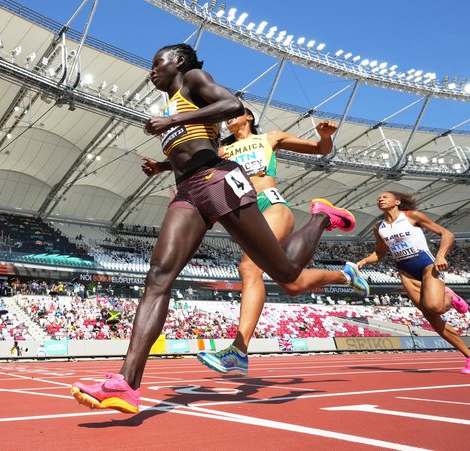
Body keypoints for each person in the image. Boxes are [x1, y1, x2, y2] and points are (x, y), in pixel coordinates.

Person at [71, 43, 355, 414]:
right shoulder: (175, 104)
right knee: (158, 277)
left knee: (285, 272)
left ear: (179, 61)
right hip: (188, 190)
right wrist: (161, 165)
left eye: (157, 62)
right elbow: (199, 144)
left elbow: (233, 106)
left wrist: (171, 122)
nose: (151, 70)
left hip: (217, 181)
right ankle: (126, 383)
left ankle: (320, 216)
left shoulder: (193, 80)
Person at [197, 108, 370, 375]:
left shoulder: (270, 137)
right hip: (246, 212)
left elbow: (319, 149)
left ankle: (238, 352)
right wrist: (161, 166)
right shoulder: (220, 151)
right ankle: (345, 275)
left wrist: (325, 137)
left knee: (249, 268)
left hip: (269, 204)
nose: (228, 117)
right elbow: (195, 168)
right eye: (226, 115)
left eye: (235, 113)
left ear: (249, 117)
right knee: (291, 284)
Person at [356, 191, 470, 374]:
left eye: (385, 196)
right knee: (432, 319)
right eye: (378, 198)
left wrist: (440, 256)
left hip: (427, 266)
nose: (380, 199)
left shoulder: (412, 217)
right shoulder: (379, 227)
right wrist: (365, 261)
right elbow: (381, 252)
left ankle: (448, 295)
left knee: (436, 307)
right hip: (406, 272)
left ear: (397, 201)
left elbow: (447, 234)